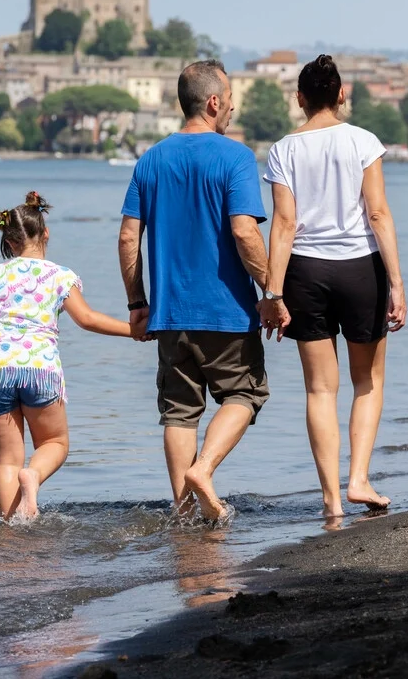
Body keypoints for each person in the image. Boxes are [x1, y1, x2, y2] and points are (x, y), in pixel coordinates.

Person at [119, 60, 274, 524]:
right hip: (226, 311)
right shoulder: (236, 157)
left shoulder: (151, 159)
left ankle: (183, 511)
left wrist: (137, 303)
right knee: (245, 395)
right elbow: (245, 233)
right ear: (212, 103)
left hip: (169, 314)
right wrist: (273, 290)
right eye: (228, 99)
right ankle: (203, 471)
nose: (232, 107)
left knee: (179, 413)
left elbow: (129, 237)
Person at [260, 55, 407, 519]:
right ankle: (358, 478)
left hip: (305, 273)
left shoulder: (283, 149)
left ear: (300, 99)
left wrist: (272, 292)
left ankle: (330, 501)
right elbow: (378, 214)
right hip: (361, 269)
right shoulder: (363, 141)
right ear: (340, 93)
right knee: (368, 380)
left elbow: (284, 224)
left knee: (320, 390)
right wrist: (398, 284)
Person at [0, 192, 133, 520]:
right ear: (45, 233)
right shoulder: (60, 275)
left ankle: (11, 536)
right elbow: (88, 319)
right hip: (40, 370)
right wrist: (134, 330)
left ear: (8, 242)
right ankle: (33, 477)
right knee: (55, 443)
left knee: (6, 461)